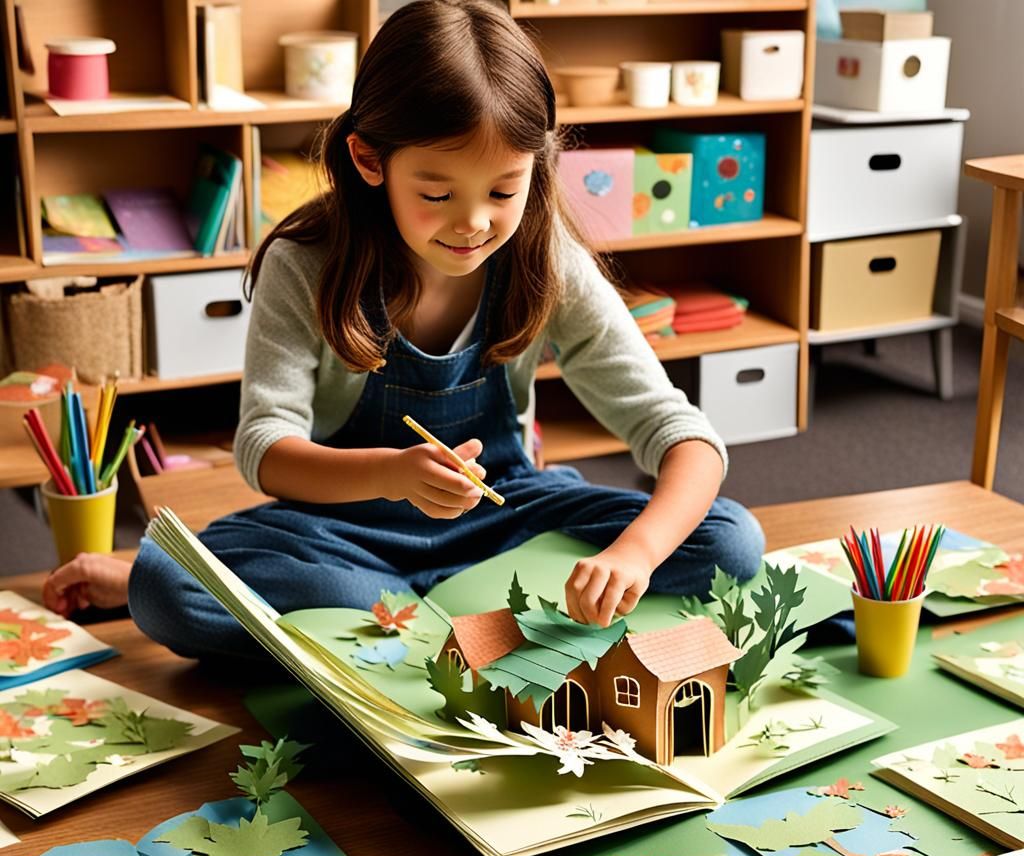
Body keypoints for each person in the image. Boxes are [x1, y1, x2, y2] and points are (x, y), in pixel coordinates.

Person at [52, 0, 764, 658]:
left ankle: (403, 633)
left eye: (503, 190)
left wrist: (634, 554)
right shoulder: (306, 265)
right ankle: (443, 623)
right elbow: (263, 449)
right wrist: (392, 474)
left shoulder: (545, 260)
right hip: (343, 533)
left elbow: (682, 436)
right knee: (165, 590)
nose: (474, 222)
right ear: (369, 160)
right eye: (435, 193)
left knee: (730, 540)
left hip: (502, 518)